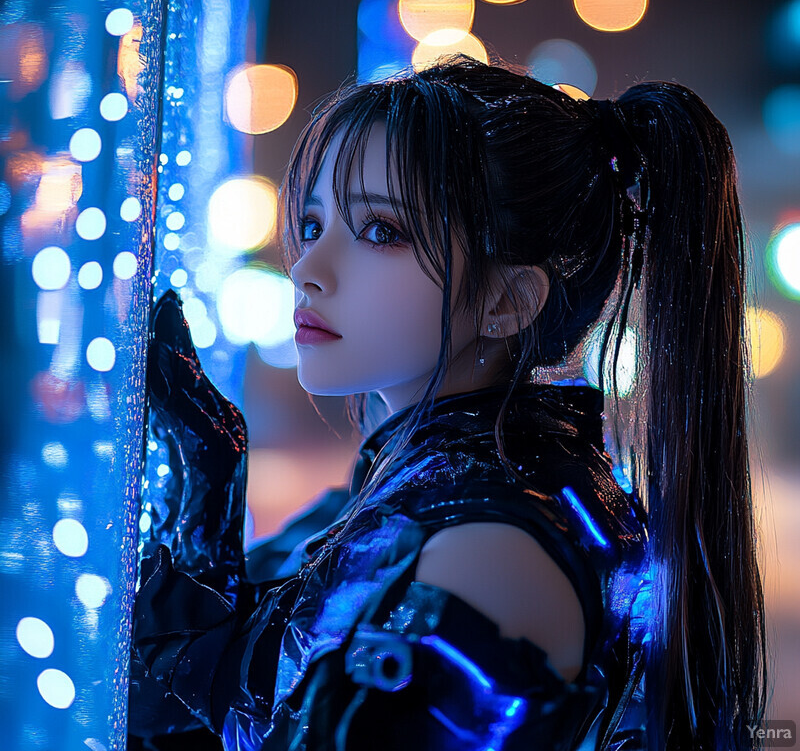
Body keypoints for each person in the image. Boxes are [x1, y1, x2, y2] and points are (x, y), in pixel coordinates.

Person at [127, 56, 768, 751]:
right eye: (312, 225)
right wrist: (209, 476)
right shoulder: (437, 487)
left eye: (381, 232)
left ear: (506, 300)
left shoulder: (485, 553)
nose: (308, 269)